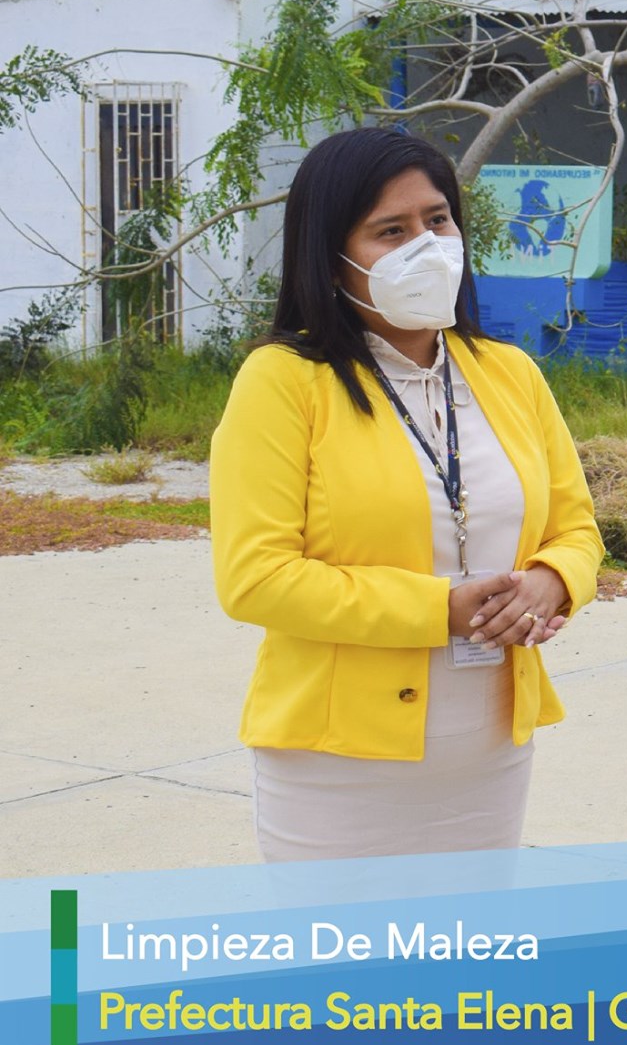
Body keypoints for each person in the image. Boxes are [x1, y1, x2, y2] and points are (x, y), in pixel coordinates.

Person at [209, 126, 604, 860]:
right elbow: (254, 578)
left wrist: (553, 581)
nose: (427, 245)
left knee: (471, 934)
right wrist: (437, 609)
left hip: (489, 754)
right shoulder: (283, 383)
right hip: (338, 766)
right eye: (390, 230)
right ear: (330, 257)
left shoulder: (510, 372)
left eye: (438, 219)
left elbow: (576, 529)